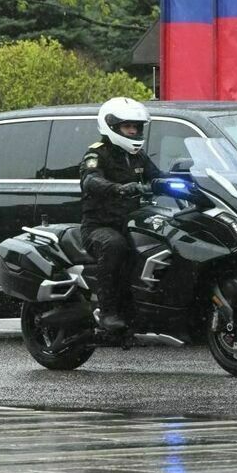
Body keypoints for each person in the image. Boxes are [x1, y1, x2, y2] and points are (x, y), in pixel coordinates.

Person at [79, 97, 160, 331]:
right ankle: (107, 311)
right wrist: (118, 188)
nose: (133, 131)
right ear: (112, 127)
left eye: (136, 127)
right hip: (99, 226)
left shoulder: (138, 156)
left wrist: (191, 179)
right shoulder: (97, 154)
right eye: (127, 126)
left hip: (132, 223)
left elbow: (157, 176)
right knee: (114, 245)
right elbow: (90, 180)